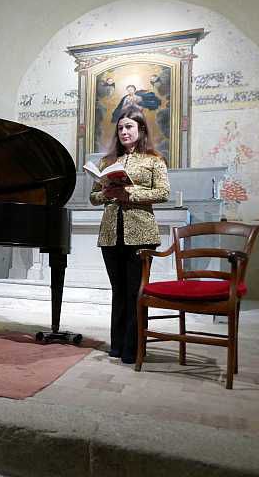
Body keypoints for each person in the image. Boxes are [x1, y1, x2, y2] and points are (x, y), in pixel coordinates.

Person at [89, 107, 170, 364]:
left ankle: (134, 348)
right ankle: (118, 345)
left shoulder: (154, 159)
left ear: (141, 130)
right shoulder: (106, 162)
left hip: (141, 232)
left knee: (135, 291)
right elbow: (93, 197)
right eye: (121, 128)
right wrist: (107, 194)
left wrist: (130, 194)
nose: (124, 132)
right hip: (111, 233)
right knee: (118, 290)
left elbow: (163, 192)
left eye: (129, 127)